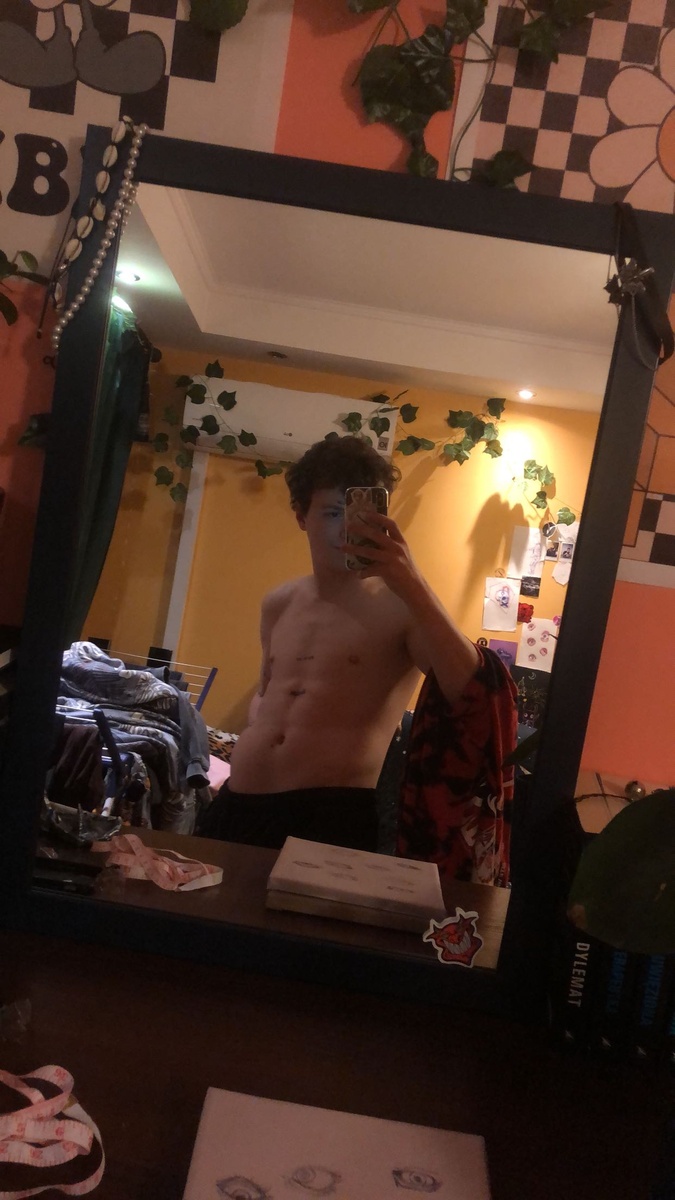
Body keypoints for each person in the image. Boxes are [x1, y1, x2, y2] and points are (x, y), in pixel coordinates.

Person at [199, 436, 481, 853]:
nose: (347, 528)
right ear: (301, 516)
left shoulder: (401, 606)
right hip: (239, 804)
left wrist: (412, 580)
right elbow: (270, 693)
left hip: (329, 815)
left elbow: (471, 688)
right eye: (333, 513)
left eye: (360, 514)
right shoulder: (279, 602)